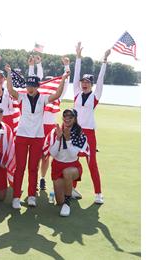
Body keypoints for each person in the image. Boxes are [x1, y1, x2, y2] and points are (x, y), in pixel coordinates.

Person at [6, 63, 69, 209]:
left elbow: (58, 95)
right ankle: (16, 197)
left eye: (33, 86)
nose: (30, 88)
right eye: (28, 85)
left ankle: (32, 196)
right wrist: (9, 73)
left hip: (38, 137)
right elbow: (10, 89)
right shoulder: (21, 96)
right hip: (21, 136)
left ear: (37, 86)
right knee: (20, 167)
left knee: (33, 167)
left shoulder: (44, 98)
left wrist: (63, 79)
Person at [73, 42, 111, 204]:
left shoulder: (95, 96)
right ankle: (72, 188)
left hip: (89, 133)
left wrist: (104, 61)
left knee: (92, 163)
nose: (84, 83)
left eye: (87, 82)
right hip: (75, 132)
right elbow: (75, 75)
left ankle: (98, 194)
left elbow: (101, 79)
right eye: (83, 81)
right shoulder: (76, 92)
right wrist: (78, 57)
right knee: (72, 160)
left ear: (91, 84)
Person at [45, 108, 88, 216]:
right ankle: (69, 190)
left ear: (75, 119)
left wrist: (68, 139)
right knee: (59, 202)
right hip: (57, 166)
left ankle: (67, 203)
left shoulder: (80, 134)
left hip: (72, 166)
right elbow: (53, 153)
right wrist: (59, 139)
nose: (67, 119)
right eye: (65, 116)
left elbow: (73, 154)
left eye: (71, 117)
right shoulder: (56, 131)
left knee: (67, 173)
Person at [39, 56, 71, 191]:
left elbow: (65, 84)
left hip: (51, 129)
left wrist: (67, 66)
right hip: (38, 128)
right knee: (36, 157)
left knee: (46, 156)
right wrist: (38, 63)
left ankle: (42, 179)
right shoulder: (40, 95)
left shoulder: (58, 96)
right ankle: (34, 181)